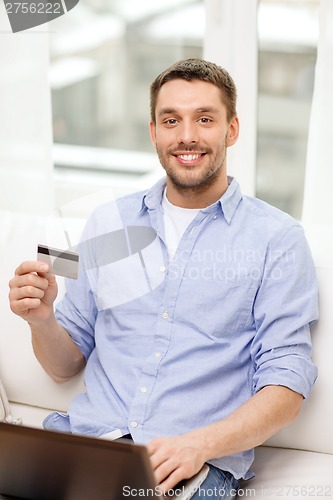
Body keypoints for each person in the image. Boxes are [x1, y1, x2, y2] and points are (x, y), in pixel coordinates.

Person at [9, 58, 318, 499]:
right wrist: (41, 320)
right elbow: (65, 366)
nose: (187, 136)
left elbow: (287, 382)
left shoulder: (277, 240)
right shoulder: (108, 223)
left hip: (190, 468)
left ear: (232, 130)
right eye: (171, 120)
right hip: (86, 445)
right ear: (154, 132)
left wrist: (200, 444)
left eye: (204, 119)